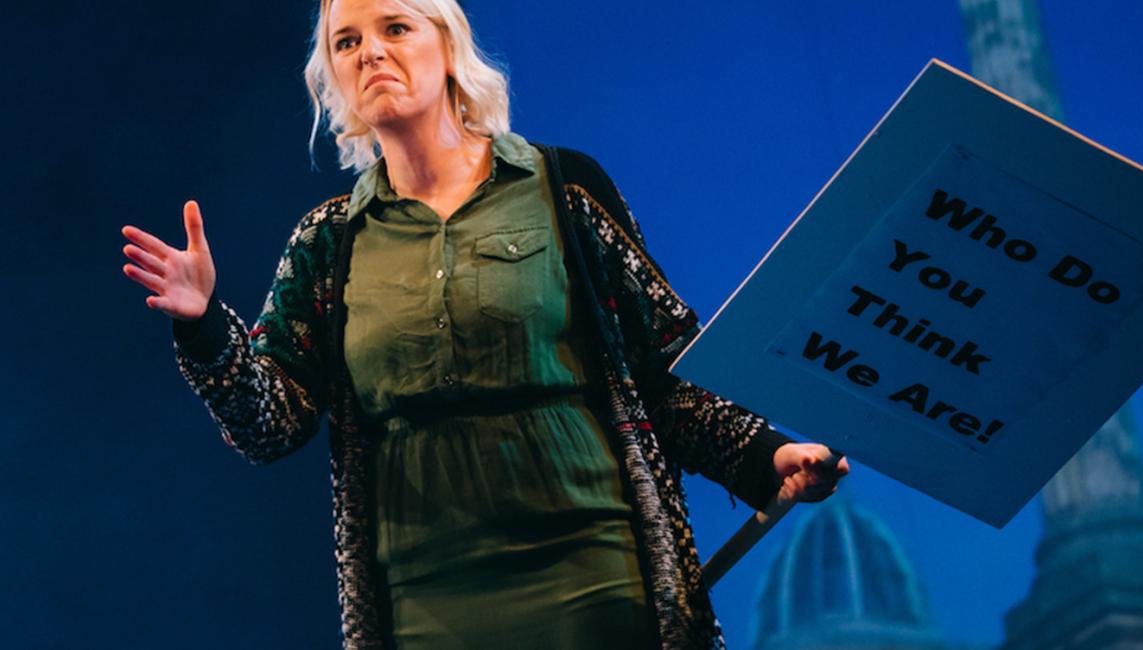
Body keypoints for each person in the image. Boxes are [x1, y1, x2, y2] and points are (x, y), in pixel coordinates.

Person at [120, 0, 849, 647]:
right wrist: (204, 323)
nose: (370, 51)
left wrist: (766, 458)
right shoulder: (328, 241)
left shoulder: (562, 187)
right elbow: (270, 424)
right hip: (424, 603)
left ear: (447, 46)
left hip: (596, 581)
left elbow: (666, 374)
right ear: (331, 77)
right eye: (346, 42)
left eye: (395, 28)